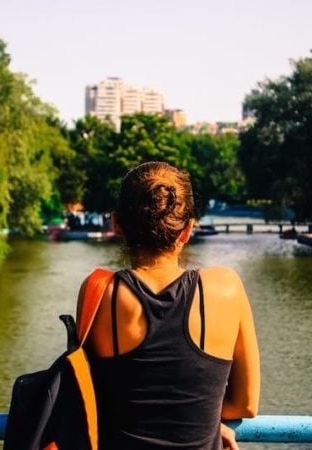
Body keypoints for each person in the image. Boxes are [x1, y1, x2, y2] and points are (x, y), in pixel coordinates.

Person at [76, 161, 260, 450]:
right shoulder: (227, 287)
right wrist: (205, 419)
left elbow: (92, 400)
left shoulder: (102, 293)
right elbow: (246, 404)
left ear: (116, 225)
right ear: (187, 230)